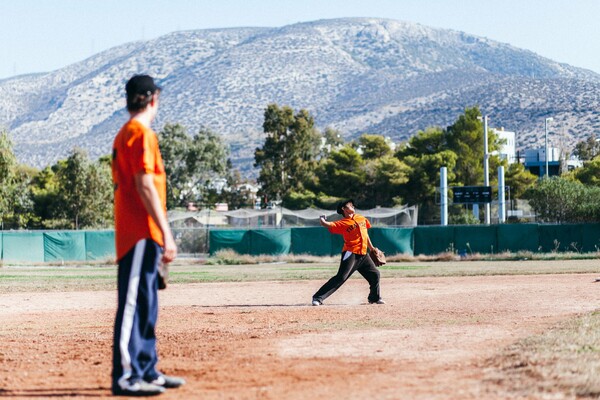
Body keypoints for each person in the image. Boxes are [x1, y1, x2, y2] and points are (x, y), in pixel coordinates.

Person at [111, 74, 185, 396]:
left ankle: (147, 369)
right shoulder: (140, 133)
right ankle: (126, 376)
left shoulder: (128, 133)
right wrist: (167, 233)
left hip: (144, 233)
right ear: (152, 98)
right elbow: (144, 185)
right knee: (133, 305)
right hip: (140, 232)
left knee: (147, 303)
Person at [312, 199, 385, 306]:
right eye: (350, 205)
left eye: (353, 205)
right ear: (343, 209)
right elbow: (328, 225)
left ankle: (374, 298)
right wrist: (322, 219)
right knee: (341, 277)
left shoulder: (361, 218)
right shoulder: (343, 223)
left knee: (375, 274)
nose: (353, 206)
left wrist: (372, 248)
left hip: (363, 254)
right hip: (351, 253)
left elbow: (366, 235)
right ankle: (317, 297)